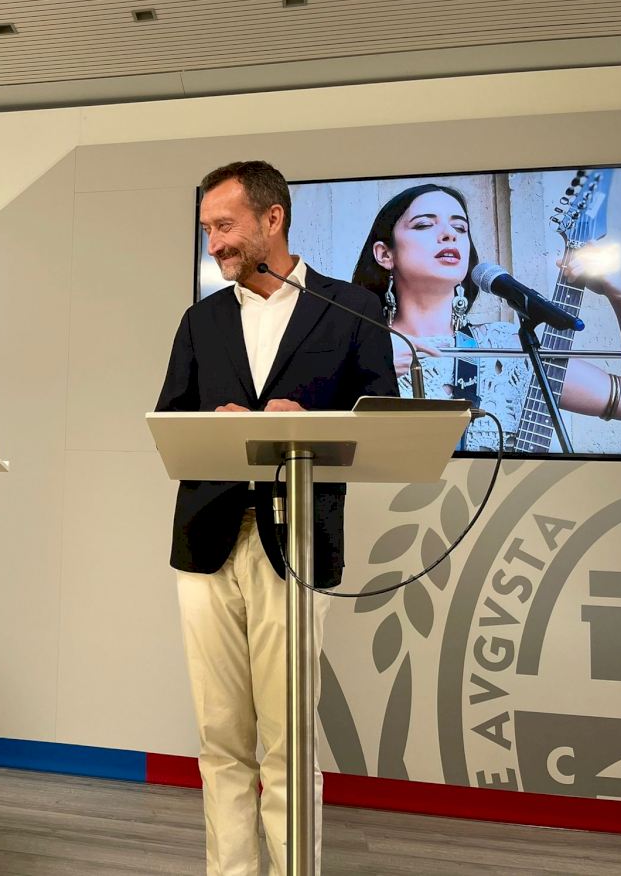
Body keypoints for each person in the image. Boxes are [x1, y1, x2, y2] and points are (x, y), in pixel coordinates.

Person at [156, 161, 397, 876]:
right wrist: (218, 425)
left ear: (273, 218)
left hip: (297, 542)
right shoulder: (200, 320)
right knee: (219, 738)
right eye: (207, 230)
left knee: (288, 742)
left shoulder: (352, 307)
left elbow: (384, 417)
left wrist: (311, 419)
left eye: (225, 227)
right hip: (205, 542)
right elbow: (170, 423)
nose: (214, 245)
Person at [352, 183, 621, 449]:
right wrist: (369, 370)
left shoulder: (506, 348)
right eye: (424, 225)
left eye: (460, 228)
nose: (449, 234)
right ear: (385, 254)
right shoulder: (356, 349)